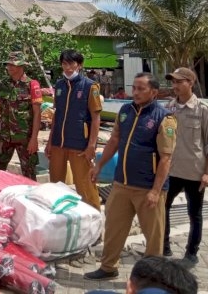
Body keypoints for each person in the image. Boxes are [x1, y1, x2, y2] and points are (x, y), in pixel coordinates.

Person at [85, 73, 177, 280]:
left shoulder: (164, 118)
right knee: (113, 229)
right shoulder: (125, 111)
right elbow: (114, 140)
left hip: (148, 188)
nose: (135, 92)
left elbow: (166, 159)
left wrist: (155, 191)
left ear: (154, 92)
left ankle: (152, 276)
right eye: (134, 88)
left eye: (141, 89)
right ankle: (108, 267)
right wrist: (99, 165)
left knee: (153, 236)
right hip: (121, 184)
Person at [46, 49, 102, 210]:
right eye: (64, 63)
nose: (68, 67)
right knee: (55, 185)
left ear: (79, 65)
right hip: (58, 143)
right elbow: (57, 115)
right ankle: (60, 220)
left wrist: (92, 145)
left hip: (80, 144)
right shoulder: (59, 85)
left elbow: (96, 117)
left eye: (71, 63)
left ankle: (94, 220)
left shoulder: (90, 86)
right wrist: (50, 142)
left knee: (85, 186)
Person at [163, 67, 208, 268]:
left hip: (194, 171)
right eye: (173, 82)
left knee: (194, 213)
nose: (175, 86)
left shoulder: (202, 110)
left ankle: (192, 251)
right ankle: (164, 246)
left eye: (179, 82)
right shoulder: (168, 108)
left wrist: (206, 173)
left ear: (190, 83)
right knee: (162, 208)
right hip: (170, 171)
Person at [0, 52, 42, 180]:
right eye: (8, 65)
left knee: (29, 174)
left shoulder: (32, 85)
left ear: (21, 66)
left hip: (25, 138)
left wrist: (34, 139)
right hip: (5, 136)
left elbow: (37, 114)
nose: (9, 67)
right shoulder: (2, 84)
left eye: (12, 65)